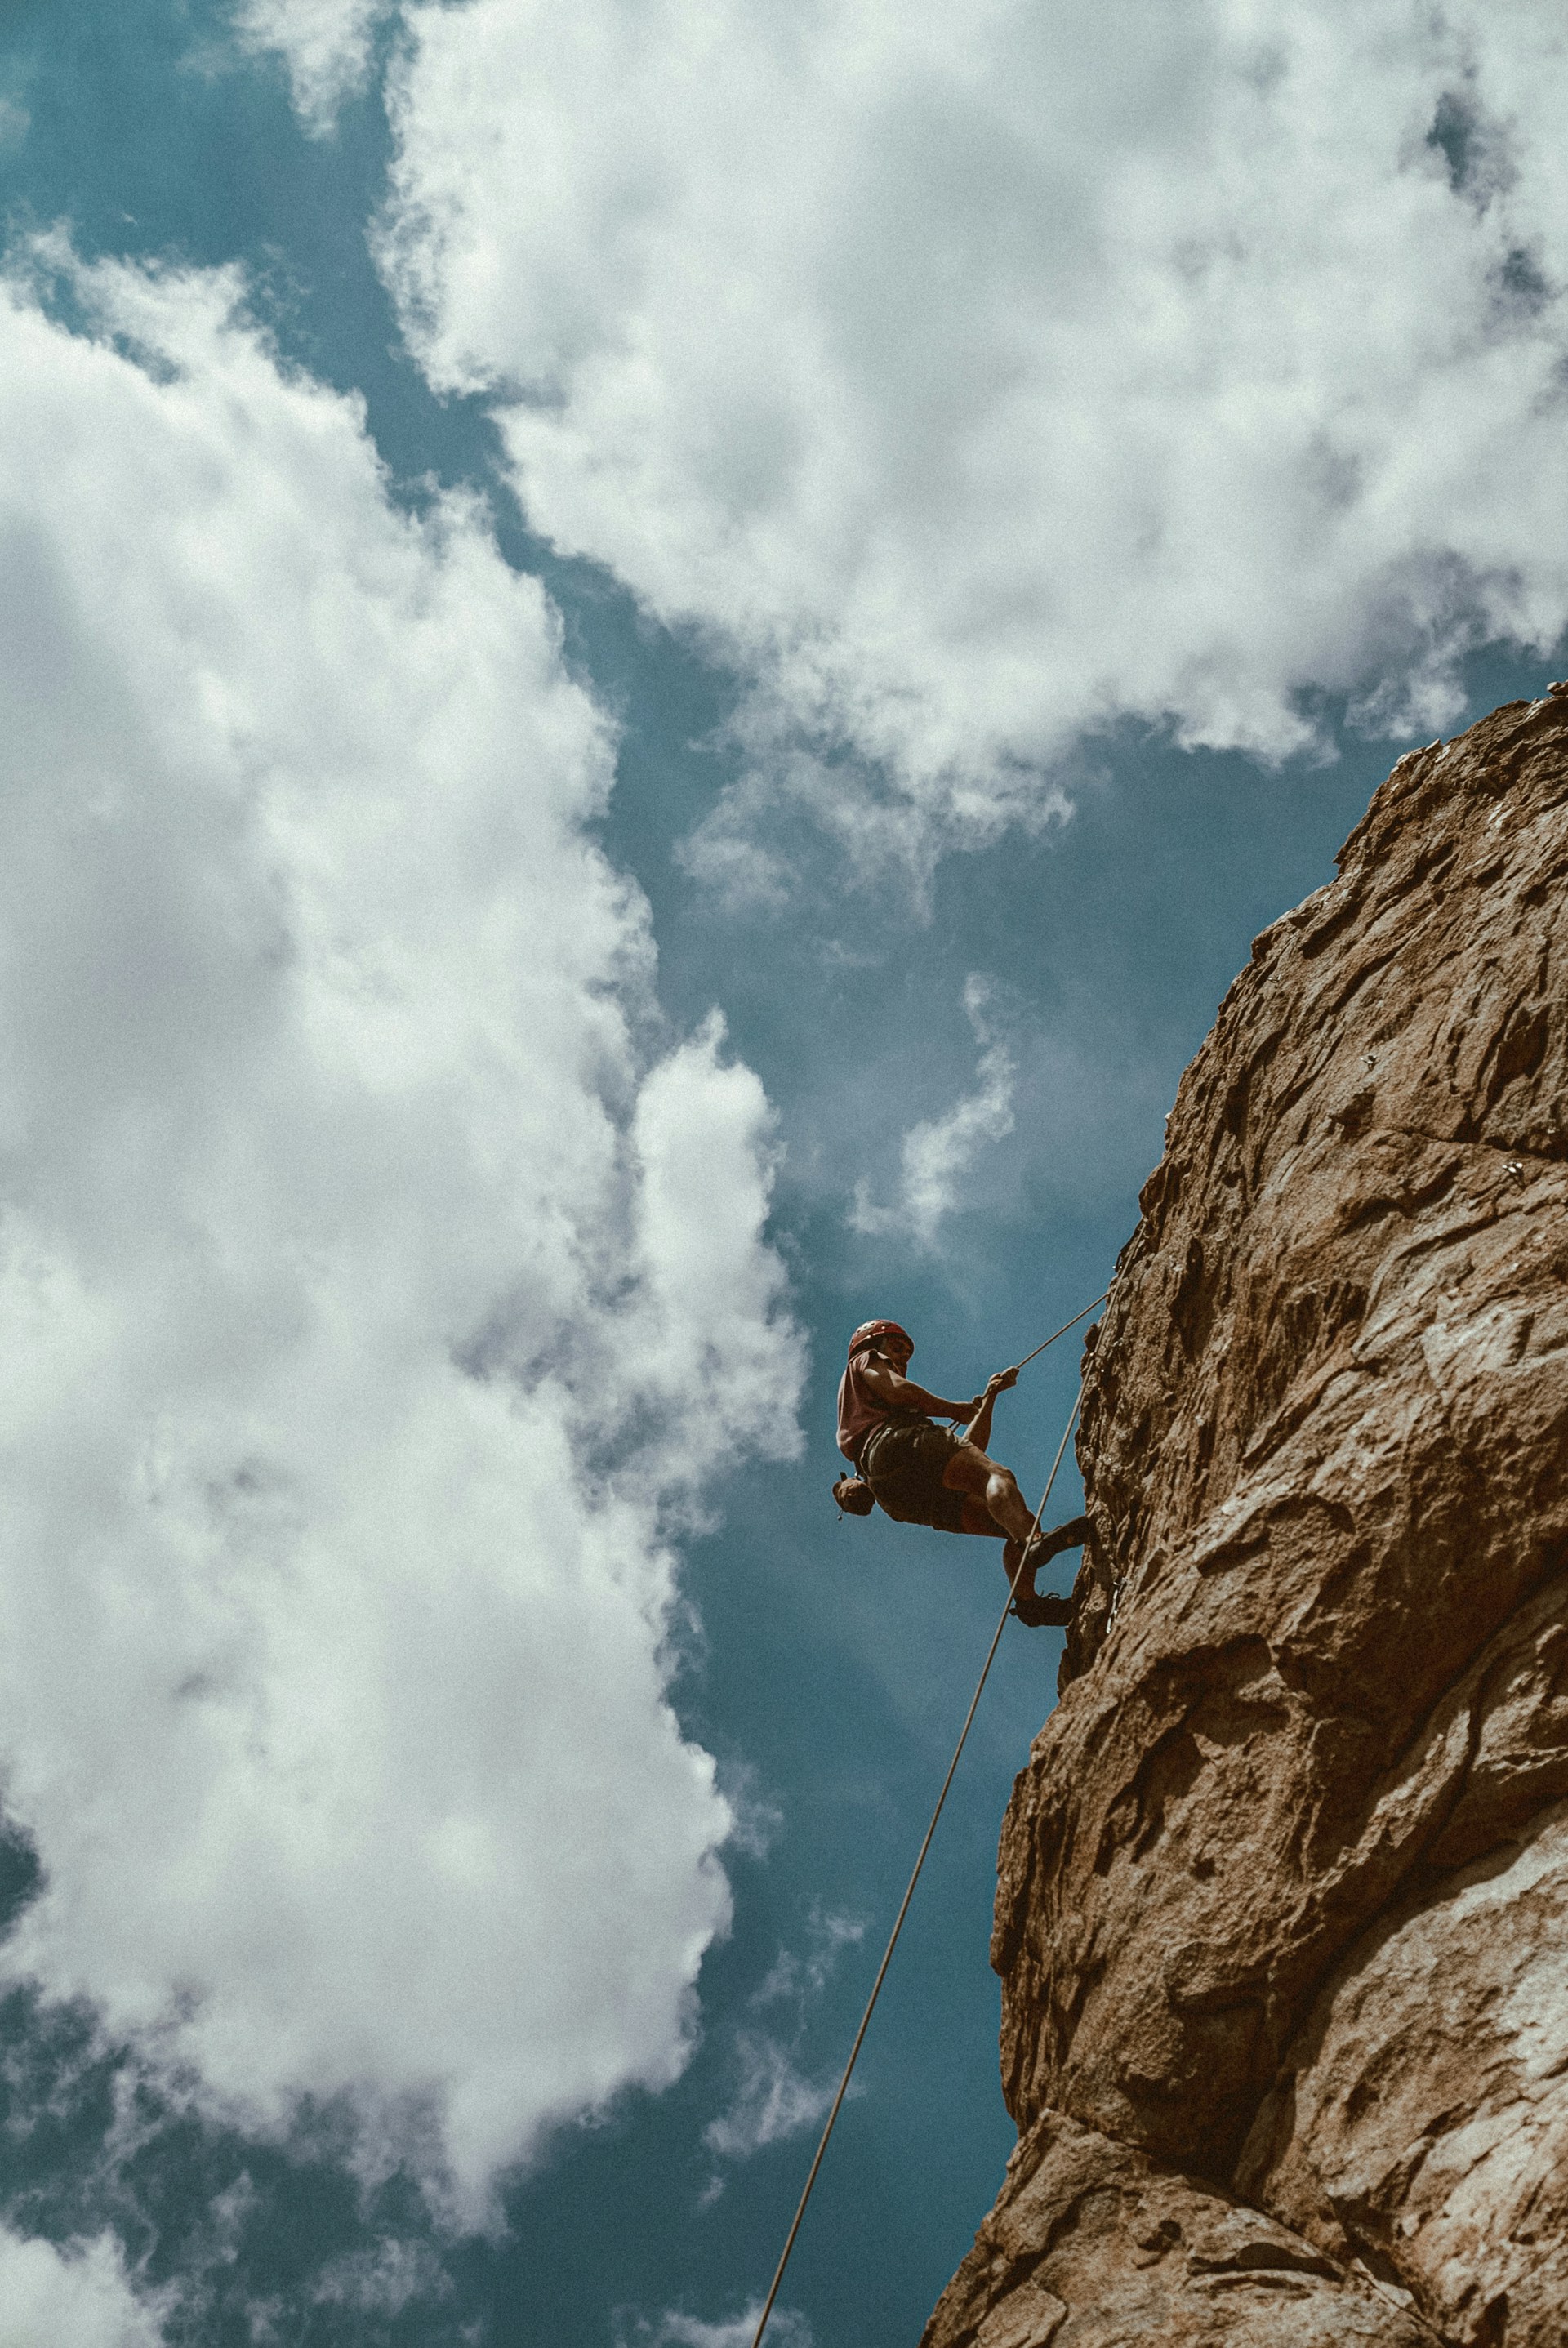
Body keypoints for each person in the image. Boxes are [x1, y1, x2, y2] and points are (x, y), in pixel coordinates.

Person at [834, 1319, 1089, 1627]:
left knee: (1011, 1523)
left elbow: (969, 1452)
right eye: (897, 1348)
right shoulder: (865, 1361)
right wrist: (951, 1409)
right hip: (897, 1441)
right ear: (873, 1344)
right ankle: (1032, 1543)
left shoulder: (858, 1408)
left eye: (906, 1355)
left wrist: (990, 1396)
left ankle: (1029, 1603)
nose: (902, 1359)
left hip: (893, 1492)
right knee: (999, 1477)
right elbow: (898, 1390)